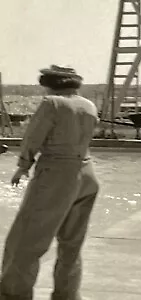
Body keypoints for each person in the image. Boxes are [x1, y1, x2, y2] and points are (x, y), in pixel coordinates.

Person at [0, 65, 100, 300]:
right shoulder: (89, 105)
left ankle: (13, 294)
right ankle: (67, 295)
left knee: (26, 241)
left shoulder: (52, 103)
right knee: (71, 244)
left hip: (56, 174)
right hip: (87, 172)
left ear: (48, 83)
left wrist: (23, 166)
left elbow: (34, 136)